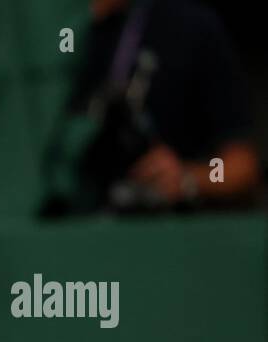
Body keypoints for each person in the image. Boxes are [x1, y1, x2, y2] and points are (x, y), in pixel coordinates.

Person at [43, 0, 260, 214]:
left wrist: (190, 178)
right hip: (58, 222)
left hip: (162, 229)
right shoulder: (43, 31)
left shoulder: (189, 26)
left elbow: (242, 166)